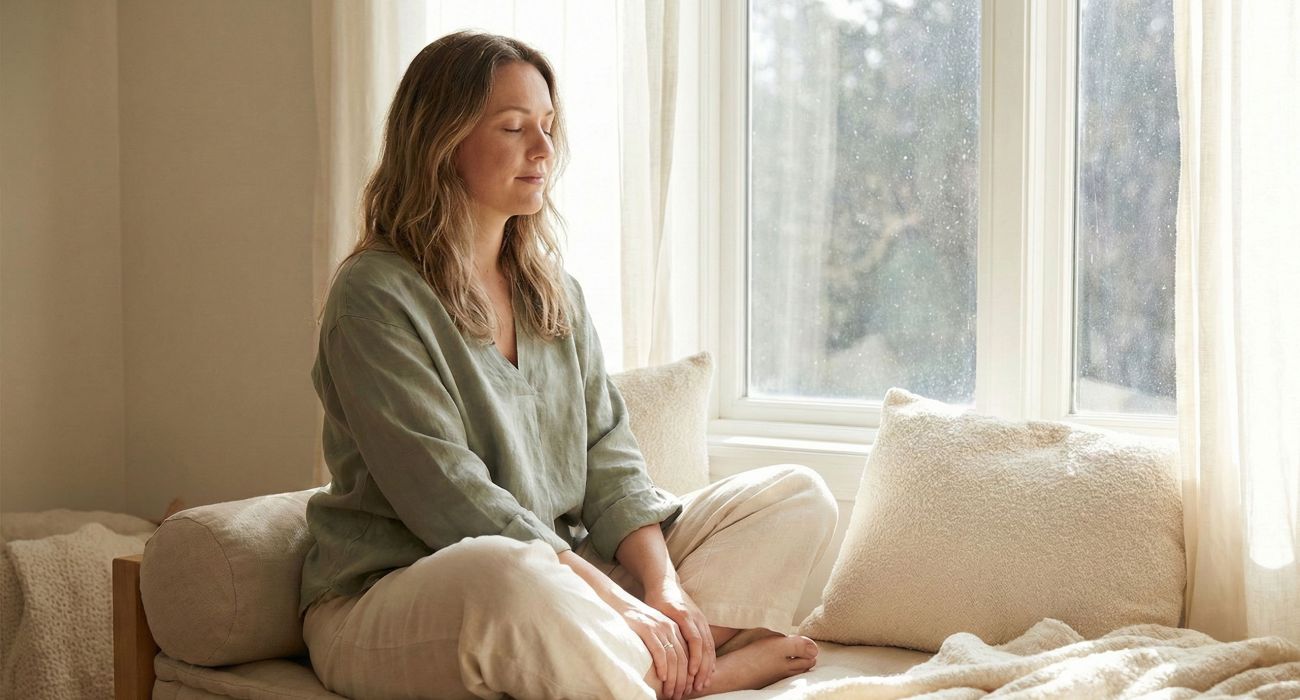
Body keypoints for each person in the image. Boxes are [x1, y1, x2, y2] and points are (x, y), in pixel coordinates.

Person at [299, 30, 838, 700]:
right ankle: (696, 674)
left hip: (564, 577)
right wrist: (616, 604)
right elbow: (450, 498)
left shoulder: (552, 290)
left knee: (796, 494)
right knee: (508, 572)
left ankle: (654, 661)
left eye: (548, 126)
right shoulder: (374, 296)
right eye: (513, 127)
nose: (544, 149)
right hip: (404, 594)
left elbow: (609, 458)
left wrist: (662, 590)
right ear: (441, 141)